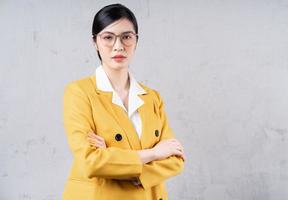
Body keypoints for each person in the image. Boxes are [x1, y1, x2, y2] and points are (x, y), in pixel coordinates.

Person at [62, 3, 185, 200]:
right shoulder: (79, 92)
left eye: (126, 37)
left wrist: (117, 160)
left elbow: (176, 158)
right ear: (95, 42)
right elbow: (91, 161)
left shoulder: (152, 97)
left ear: (136, 41)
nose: (118, 46)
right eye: (108, 37)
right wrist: (153, 154)